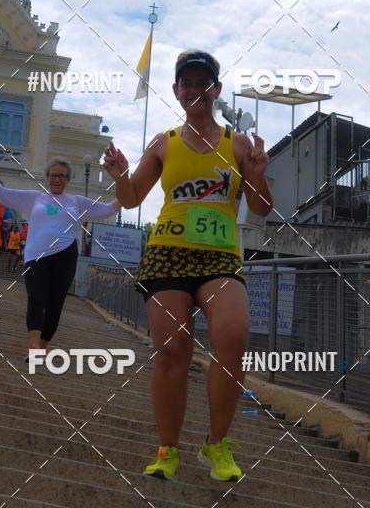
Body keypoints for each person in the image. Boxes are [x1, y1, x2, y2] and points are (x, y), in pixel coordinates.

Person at [103, 50, 273, 482]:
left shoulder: (237, 143)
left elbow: (261, 208)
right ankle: (167, 450)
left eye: (204, 83)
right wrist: (121, 174)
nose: (195, 90)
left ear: (216, 89)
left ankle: (216, 445)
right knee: (173, 348)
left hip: (219, 258)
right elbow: (131, 198)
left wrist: (258, 172)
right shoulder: (164, 142)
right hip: (168, 253)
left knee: (233, 336)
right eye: (187, 83)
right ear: (177, 91)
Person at [0, 159, 120, 355]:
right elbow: (1, 192)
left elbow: (110, 208)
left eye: (61, 175)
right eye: (53, 175)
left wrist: (126, 180)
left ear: (68, 179)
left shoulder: (78, 202)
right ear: (47, 177)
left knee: (55, 303)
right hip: (36, 256)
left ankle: (41, 347)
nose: (57, 179)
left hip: (65, 256)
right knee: (36, 297)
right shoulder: (34, 198)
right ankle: (33, 345)